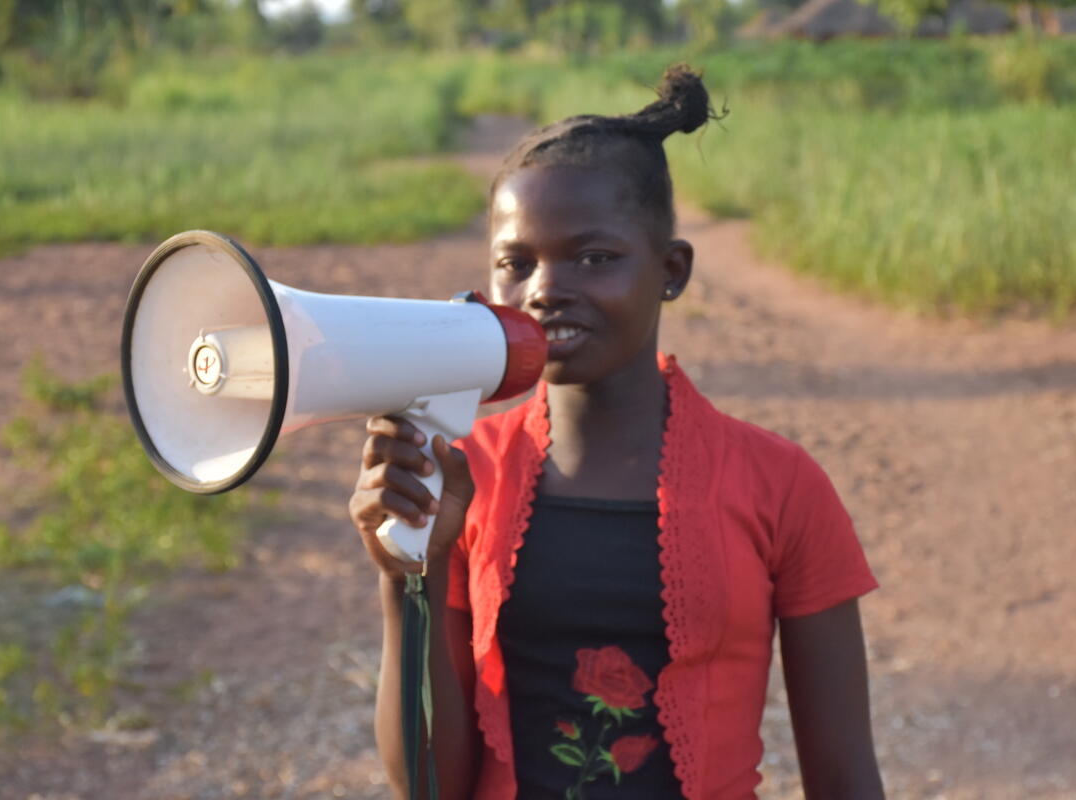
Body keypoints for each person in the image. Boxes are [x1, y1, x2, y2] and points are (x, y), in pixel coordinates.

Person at [348, 65, 885, 800]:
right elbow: (428, 786)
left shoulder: (781, 486)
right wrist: (407, 574)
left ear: (672, 270)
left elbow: (847, 776)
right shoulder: (461, 476)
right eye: (516, 263)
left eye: (594, 258)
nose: (544, 289)